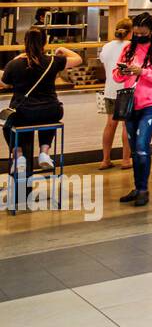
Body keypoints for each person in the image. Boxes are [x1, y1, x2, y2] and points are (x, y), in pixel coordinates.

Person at [2, 29, 82, 195]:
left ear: (25, 43)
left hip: (24, 113)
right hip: (51, 111)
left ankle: (18, 156)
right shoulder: (52, 60)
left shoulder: (15, 64)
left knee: (7, 122)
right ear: (44, 43)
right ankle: (44, 152)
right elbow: (78, 59)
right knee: (48, 115)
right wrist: (62, 50)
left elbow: (4, 82)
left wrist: (18, 57)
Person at [113, 13, 152, 208]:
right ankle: (138, 186)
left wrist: (142, 72)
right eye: (136, 32)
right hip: (130, 104)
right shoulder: (127, 48)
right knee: (134, 149)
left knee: (141, 145)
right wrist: (122, 72)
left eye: (142, 32)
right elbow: (116, 76)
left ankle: (143, 190)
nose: (139, 36)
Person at [97, 19, 133, 170]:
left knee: (110, 124)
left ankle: (105, 160)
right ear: (131, 32)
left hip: (110, 89)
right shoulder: (131, 47)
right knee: (126, 125)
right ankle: (126, 160)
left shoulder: (106, 46)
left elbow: (104, 62)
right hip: (126, 89)